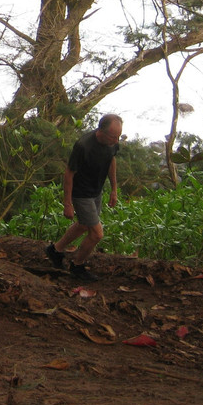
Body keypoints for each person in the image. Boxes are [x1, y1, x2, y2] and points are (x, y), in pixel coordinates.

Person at [45, 114, 122, 282]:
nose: (116, 141)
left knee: (84, 225)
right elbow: (69, 173)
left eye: (119, 136)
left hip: (96, 190)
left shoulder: (112, 143)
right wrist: (67, 203)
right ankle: (77, 266)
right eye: (113, 137)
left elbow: (111, 161)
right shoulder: (83, 146)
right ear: (101, 131)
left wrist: (114, 189)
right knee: (96, 234)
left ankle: (55, 250)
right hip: (81, 193)